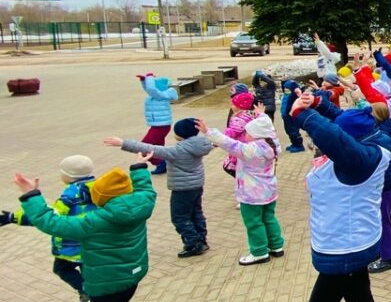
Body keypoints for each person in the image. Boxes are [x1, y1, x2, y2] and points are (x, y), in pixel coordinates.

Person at [13, 157, 157, 302]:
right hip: (132, 274)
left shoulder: (96, 221)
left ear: (102, 198)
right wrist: (139, 168)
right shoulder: (142, 203)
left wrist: (31, 195)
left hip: (106, 282)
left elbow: (52, 223)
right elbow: (145, 187)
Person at [289, 93, 389, 302]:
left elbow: (336, 136)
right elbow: (341, 126)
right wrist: (314, 103)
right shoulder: (371, 146)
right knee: (361, 298)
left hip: (344, 248)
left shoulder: (358, 161)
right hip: (353, 242)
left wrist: (306, 117)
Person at [105, 118, 213, 258]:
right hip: (196, 186)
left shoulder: (176, 150)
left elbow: (149, 148)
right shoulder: (202, 144)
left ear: (180, 134)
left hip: (182, 189)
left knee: (179, 217)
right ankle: (201, 239)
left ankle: (193, 243)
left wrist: (122, 143)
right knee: (196, 213)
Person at [0, 154, 97, 302]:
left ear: (68, 176)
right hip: (93, 241)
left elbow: (49, 217)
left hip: (71, 244)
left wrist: (13, 217)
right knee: (89, 271)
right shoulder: (100, 186)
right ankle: (95, 295)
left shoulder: (71, 193)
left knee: (62, 268)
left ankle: (87, 293)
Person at [201, 115, 284, 264]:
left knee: (254, 223)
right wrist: (263, 116)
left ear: (257, 134)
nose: (246, 135)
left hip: (251, 194)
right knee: (269, 218)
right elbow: (270, 129)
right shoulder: (274, 144)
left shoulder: (250, 150)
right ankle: (276, 246)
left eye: (249, 133)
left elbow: (228, 143)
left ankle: (259, 252)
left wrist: (208, 132)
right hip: (269, 191)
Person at [135, 73, 178, 174]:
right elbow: (149, 89)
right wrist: (143, 81)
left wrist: (149, 77)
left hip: (161, 126)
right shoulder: (156, 95)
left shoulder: (160, 95)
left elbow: (152, 89)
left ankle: (161, 162)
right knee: (158, 147)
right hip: (158, 125)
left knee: (143, 147)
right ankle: (162, 164)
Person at [279, 80, 306, 153]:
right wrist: (283, 81)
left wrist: (298, 91)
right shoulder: (285, 95)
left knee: (293, 131)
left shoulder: (293, 96)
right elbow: (284, 87)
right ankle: (294, 144)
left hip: (291, 116)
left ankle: (299, 146)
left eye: (287, 89)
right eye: (285, 88)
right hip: (285, 116)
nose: (285, 90)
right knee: (288, 131)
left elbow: (301, 96)